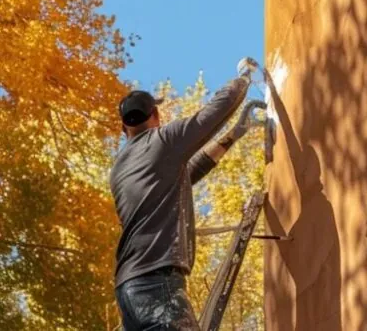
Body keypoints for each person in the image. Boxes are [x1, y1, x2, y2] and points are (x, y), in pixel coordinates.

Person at [110, 60, 265, 330]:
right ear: (156, 116)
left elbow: (186, 174)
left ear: (124, 130)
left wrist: (235, 135)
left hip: (128, 292)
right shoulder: (161, 140)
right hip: (158, 283)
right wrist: (244, 78)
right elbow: (215, 112)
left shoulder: (120, 168)